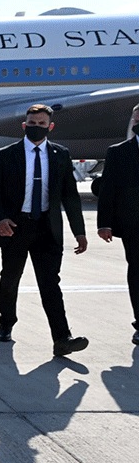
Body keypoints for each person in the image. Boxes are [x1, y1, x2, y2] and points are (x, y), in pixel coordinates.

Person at [0, 103, 88, 357]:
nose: (36, 127)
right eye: (32, 123)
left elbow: (70, 195)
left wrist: (79, 231)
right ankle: (6, 323)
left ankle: (62, 338)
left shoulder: (60, 154)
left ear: (50, 127)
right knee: (10, 278)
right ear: (24, 125)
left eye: (41, 124)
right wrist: (0, 218)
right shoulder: (5, 155)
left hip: (47, 228)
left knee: (50, 283)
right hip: (15, 226)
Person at [97, 103, 139, 345]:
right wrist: (104, 223)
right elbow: (108, 190)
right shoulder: (118, 152)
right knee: (137, 273)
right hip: (134, 225)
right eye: (137, 121)